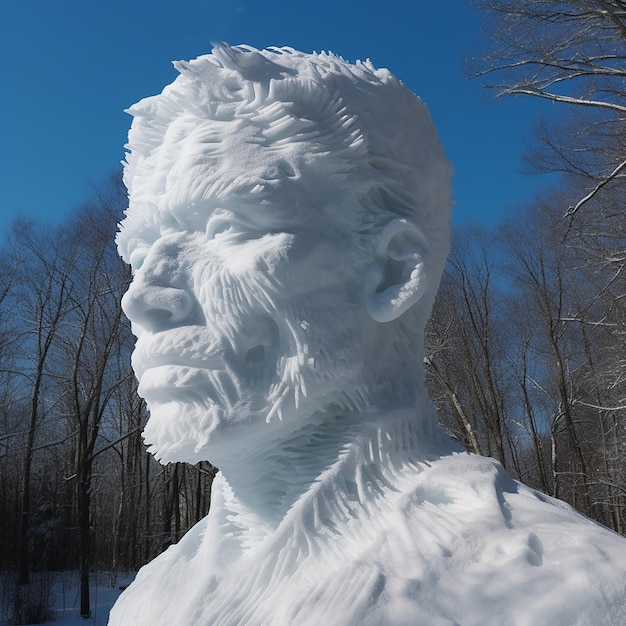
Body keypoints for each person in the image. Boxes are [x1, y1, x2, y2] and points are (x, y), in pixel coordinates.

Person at [110, 44, 626, 626]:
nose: (143, 297)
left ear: (390, 271)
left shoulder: (567, 597)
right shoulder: (147, 598)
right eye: (142, 251)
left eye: (228, 227)